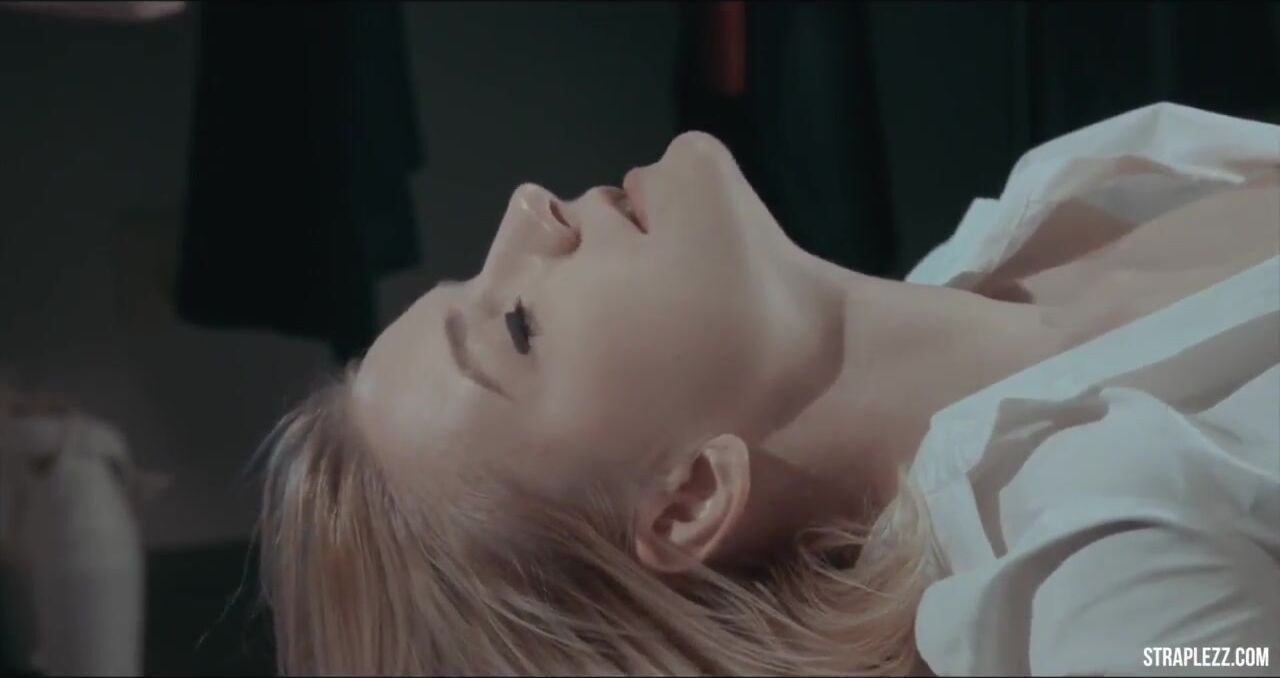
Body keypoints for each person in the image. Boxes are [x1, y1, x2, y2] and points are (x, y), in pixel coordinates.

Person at [256, 103, 1279, 676]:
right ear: (690, 499)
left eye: (471, 275)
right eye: (517, 326)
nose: (527, 211)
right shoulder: (1095, 579)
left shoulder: (1018, 224)